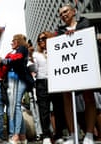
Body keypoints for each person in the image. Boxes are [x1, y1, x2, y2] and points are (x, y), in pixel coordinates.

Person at [57, 4, 97, 144]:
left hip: (84, 67)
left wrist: (75, 33)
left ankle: (89, 134)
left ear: (73, 12)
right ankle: (73, 134)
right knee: (67, 98)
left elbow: (87, 34)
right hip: (69, 69)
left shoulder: (84, 22)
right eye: (61, 13)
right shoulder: (60, 30)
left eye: (66, 11)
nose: (63, 15)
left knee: (89, 97)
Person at [33, 31, 66, 144]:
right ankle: (46, 135)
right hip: (41, 82)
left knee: (58, 109)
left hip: (55, 81)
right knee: (44, 110)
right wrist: (30, 64)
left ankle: (59, 135)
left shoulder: (57, 51)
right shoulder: (35, 54)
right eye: (40, 40)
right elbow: (34, 70)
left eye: (44, 38)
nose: (42, 41)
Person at [0, 34, 29, 144]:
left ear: (18, 41)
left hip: (19, 79)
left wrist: (4, 61)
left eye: (13, 40)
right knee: (16, 106)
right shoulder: (10, 53)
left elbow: (17, 58)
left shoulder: (22, 49)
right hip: (10, 80)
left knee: (16, 106)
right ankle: (22, 136)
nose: (12, 42)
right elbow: (3, 70)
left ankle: (15, 135)